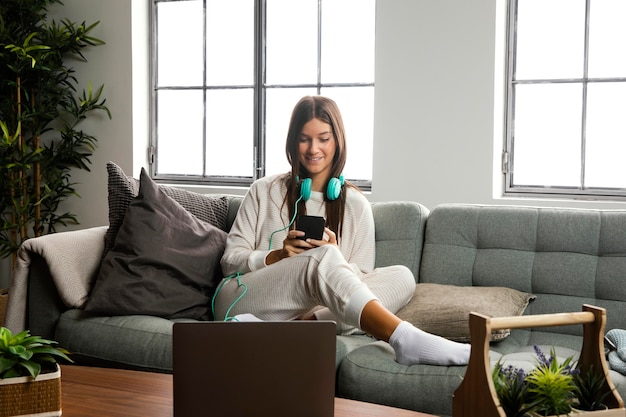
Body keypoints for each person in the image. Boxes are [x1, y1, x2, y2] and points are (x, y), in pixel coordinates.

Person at [214, 95, 470, 366]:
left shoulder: (356, 205)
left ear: (337, 141)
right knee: (321, 258)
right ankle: (403, 337)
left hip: (309, 311)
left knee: (402, 276)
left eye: (323, 138)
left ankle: (305, 326)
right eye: (305, 139)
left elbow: (356, 284)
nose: (313, 149)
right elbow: (229, 263)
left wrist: (336, 258)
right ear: (293, 141)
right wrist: (276, 257)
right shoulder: (264, 190)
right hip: (242, 299)